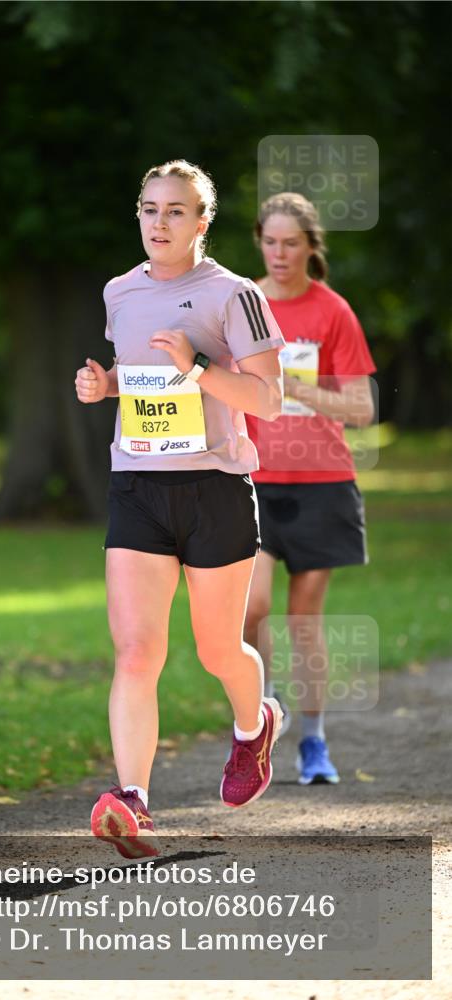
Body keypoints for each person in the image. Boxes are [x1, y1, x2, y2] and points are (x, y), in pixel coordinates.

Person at [75, 160, 286, 859]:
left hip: (215, 489)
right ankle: (132, 800)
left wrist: (197, 365)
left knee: (217, 649)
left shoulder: (235, 295)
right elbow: (143, 382)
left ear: (202, 222)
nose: (158, 222)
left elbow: (267, 401)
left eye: (175, 211)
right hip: (137, 485)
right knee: (137, 650)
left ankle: (253, 726)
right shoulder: (120, 292)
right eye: (149, 208)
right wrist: (105, 386)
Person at [243, 192, 376, 786]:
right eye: (270, 242)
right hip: (251, 481)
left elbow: (361, 407)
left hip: (323, 483)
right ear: (259, 242)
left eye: (290, 243)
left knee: (303, 620)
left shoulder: (332, 311)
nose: (279, 253)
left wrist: (294, 387)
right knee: (252, 608)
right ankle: (266, 708)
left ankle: (314, 742)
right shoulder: (242, 306)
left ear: (309, 247)